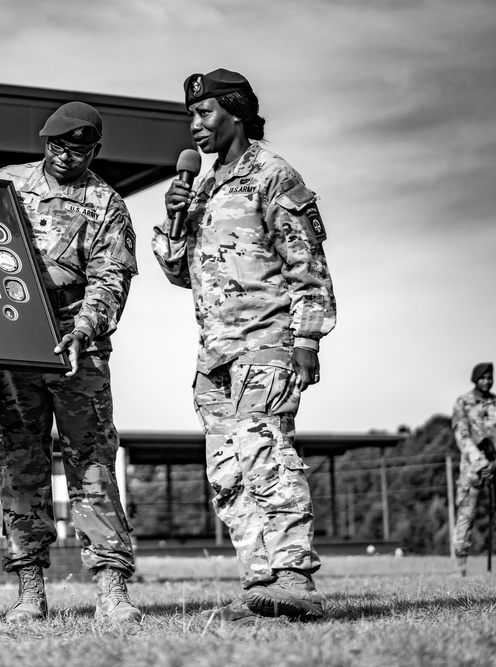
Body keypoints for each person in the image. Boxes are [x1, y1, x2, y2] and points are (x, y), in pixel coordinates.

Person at [153, 69, 337, 622]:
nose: (195, 126)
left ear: (235, 113)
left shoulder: (273, 174)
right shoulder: (204, 184)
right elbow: (178, 272)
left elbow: (308, 265)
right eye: (191, 115)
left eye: (204, 113)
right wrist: (174, 214)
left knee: (266, 455)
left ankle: (295, 578)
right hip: (215, 355)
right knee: (228, 471)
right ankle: (261, 586)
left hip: (268, 341)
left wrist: (306, 339)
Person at [0, 101, 141, 623]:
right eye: (58, 147)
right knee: (19, 464)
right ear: (45, 144)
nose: (67, 158)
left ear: (95, 150)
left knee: (91, 465)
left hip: (76, 345)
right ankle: (29, 591)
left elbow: (112, 277)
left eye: (80, 150)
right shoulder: (5, 183)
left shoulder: (106, 203)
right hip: (12, 342)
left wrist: (84, 329)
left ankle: (111, 592)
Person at [451, 362, 496, 576]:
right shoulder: (463, 403)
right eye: (483, 377)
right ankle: (460, 567)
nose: (487, 381)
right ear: (475, 379)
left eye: (490, 377)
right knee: (466, 516)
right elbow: (462, 436)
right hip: (473, 469)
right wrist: (481, 462)